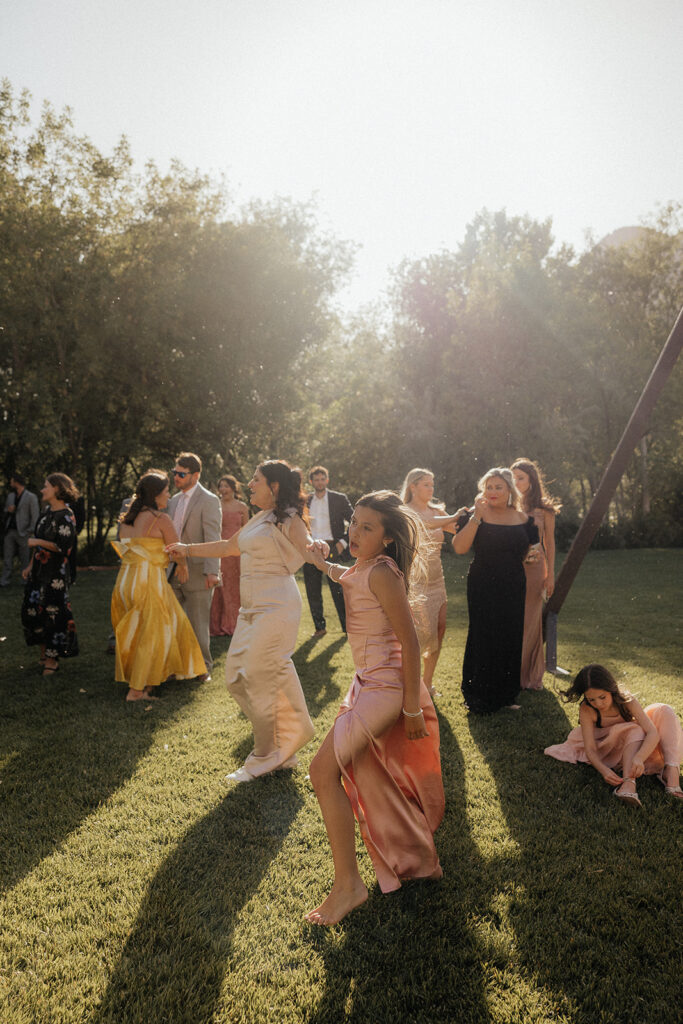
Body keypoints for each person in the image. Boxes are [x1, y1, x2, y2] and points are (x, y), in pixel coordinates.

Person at [305, 491, 445, 927]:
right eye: (354, 523)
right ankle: (405, 853)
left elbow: (412, 642)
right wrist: (317, 562)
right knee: (359, 773)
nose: (356, 532)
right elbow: (344, 575)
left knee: (321, 771)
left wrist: (411, 708)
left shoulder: (383, 573)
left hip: (384, 689)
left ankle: (349, 887)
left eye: (368, 528)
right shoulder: (363, 567)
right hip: (364, 682)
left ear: (387, 538)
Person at [166, 460, 326, 782]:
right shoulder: (260, 517)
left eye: (256, 480)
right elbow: (228, 546)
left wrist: (317, 547)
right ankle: (285, 746)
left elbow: (308, 548)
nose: (250, 484)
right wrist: (187, 549)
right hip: (250, 610)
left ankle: (265, 756)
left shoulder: (291, 519)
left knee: (258, 676)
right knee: (236, 676)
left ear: (275, 487)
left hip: (277, 606)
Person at [453, 467, 541, 714]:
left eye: (498, 487)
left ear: (509, 490)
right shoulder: (474, 514)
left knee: (510, 635)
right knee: (483, 634)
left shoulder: (525, 519)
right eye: (488, 487)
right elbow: (459, 548)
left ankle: (505, 695)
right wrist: (476, 518)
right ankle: (477, 696)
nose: (492, 492)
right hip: (482, 583)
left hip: (513, 583)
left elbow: (531, 551)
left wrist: (532, 556)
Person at [111, 471, 205, 702]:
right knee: (151, 633)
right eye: (165, 492)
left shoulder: (128, 519)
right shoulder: (160, 519)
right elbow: (176, 549)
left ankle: (159, 674)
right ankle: (136, 691)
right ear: (155, 495)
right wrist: (182, 564)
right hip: (148, 581)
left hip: (125, 582)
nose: (169, 496)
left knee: (144, 629)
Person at [545, 664, 683, 806]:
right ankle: (628, 785)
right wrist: (603, 770)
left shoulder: (626, 700)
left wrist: (640, 757)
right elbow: (591, 749)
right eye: (592, 699)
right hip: (606, 748)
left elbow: (653, 733)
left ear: (611, 689)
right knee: (634, 729)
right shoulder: (587, 709)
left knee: (664, 710)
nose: (598, 703)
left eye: (602, 697)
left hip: (632, 749)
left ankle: (671, 774)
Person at [401, 467, 465, 697]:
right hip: (413, 581)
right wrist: (454, 515)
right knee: (417, 634)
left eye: (432, 484)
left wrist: (474, 515)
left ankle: (427, 684)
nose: (431, 488)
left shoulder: (438, 511)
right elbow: (424, 523)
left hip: (437, 580)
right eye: (426, 484)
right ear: (413, 487)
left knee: (438, 630)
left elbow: (457, 529)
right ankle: (411, 684)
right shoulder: (405, 511)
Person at [167, 453, 222, 681]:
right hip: (171, 570)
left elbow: (213, 537)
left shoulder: (209, 500)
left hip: (199, 571)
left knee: (198, 622)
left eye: (181, 474)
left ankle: (203, 668)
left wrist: (212, 571)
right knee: (173, 621)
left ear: (195, 475)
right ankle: (175, 666)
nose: (176, 478)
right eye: (175, 473)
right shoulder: (172, 500)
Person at [21, 473, 79, 675]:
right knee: (33, 611)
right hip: (37, 572)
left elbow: (63, 547)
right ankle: (44, 654)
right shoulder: (46, 512)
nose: (42, 489)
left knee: (53, 615)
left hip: (55, 576)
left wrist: (37, 543)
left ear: (57, 489)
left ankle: (53, 661)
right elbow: (37, 541)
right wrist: (30, 565)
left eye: (46, 486)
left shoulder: (66, 516)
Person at [511, 458, 561, 690]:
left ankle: (527, 676)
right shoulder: (508, 505)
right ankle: (508, 671)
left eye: (520, 478)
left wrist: (550, 575)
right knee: (510, 618)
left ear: (531, 480)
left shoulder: (544, 510)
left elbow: (549, 543)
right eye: (513, 478)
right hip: (509, 568)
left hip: (534, 569)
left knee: (529, 620)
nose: (516, 482)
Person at [303, 465, 354, 638]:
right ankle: (320, 627)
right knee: (312, 589)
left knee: (338, 588)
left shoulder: (339, 499)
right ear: (311, 482)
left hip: (333, 546)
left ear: (327, 480)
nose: (319, 482)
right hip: (310, 547)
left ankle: (348, 628)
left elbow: (355, 522)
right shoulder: (305, 500)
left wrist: (342, 543)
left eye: (322, 479)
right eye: (316, 479)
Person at [210, 475, 249, 637]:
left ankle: (235, 622)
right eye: (221, 486)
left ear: (234, 488)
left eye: (226, 486)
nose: (223, 489)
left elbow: (247, 530)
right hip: (219, 549)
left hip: (237, 550)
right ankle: (217, 624)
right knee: (220, 586)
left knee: (235, 586)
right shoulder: (215, 505)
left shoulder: (242, 507)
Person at [2, 474, 39, 586]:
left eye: (12, 481)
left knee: (25, 558)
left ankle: (26, 580)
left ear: (16, 482)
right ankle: (4, 580)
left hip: (24, 532)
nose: (10, 483)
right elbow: (5, 511)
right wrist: (8, 510)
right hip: (10, 531)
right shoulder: (10, 496)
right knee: (7, 557)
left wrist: (31, 530)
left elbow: (35, 515)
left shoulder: (31, 497)